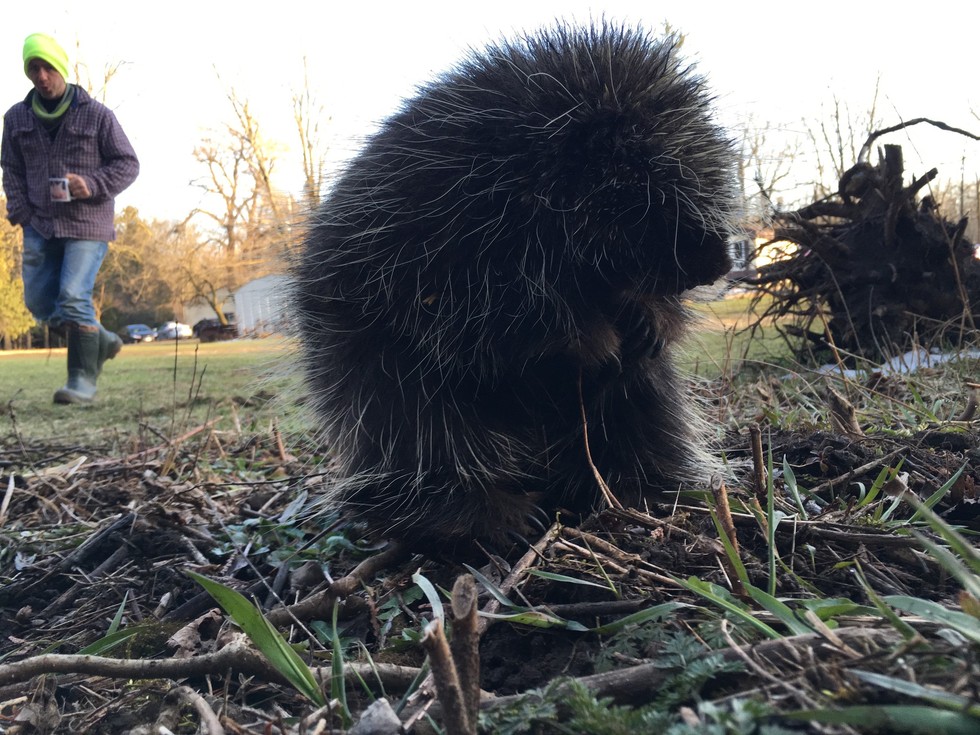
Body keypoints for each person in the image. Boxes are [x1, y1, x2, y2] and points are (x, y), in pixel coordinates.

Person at [1, 32, 139, 404]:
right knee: (40, 304)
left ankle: (81, 382)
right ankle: (101, 339)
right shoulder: (16, 118)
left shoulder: (97, 115)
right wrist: (21, 211)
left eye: (47, 67)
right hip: (39, 223)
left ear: (61, 67)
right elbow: (11, 168)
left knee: (73, 297)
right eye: (34, 69)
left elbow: (128, 164)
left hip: (86, 224)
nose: (42, 76)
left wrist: (91, 184)